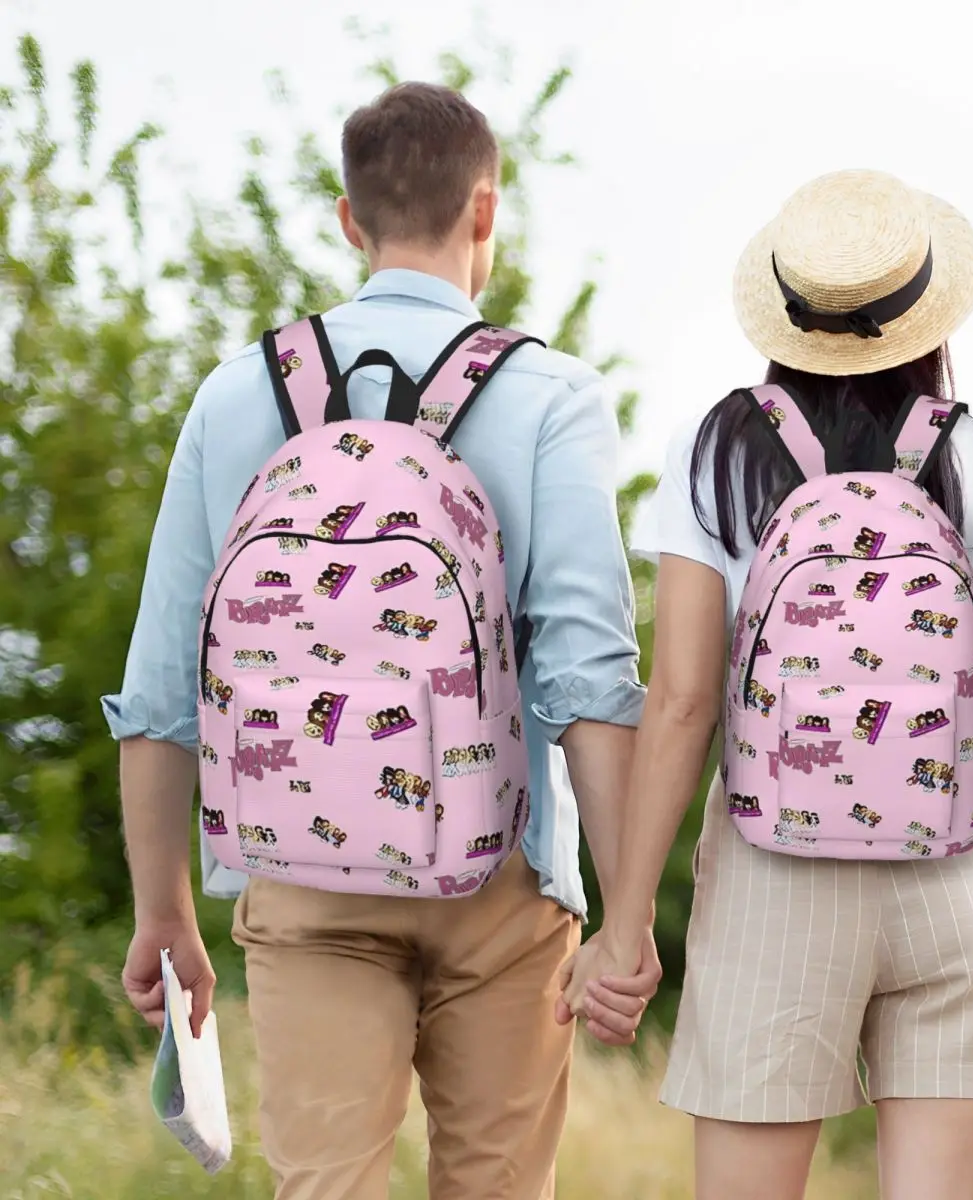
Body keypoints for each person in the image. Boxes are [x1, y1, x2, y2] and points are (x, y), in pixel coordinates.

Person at [104, 82, 661, 1200]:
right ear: (486, 213)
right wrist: (626, 915)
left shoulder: (235, 394)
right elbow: (588, 679)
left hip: (301, 875)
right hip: (501, 875)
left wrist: (162, 909)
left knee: (325, 1186)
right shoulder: (551, 395)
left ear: (349, 220)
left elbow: (164, 683)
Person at [559, 169, 973, 1200]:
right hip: (953, 883)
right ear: (925, 315)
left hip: (773, 883)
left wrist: (624, 928)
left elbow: (681, 706)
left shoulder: (717, 452)